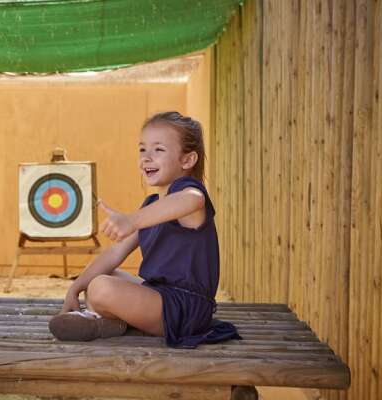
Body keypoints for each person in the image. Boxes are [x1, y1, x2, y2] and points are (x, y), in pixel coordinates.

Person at [49, 111, 240, 348]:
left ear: (188, 160)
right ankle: (109, 326)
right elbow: (114, 254)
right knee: (99, 279)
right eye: (142, 149)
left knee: (101, 288)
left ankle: (107, 321)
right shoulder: (152, 207)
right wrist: (75, 287)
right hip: (159, 298)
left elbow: (193, 200)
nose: (147, 157)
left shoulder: (188, 194)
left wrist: (132, 220)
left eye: (158, 150)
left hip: (185, 308)